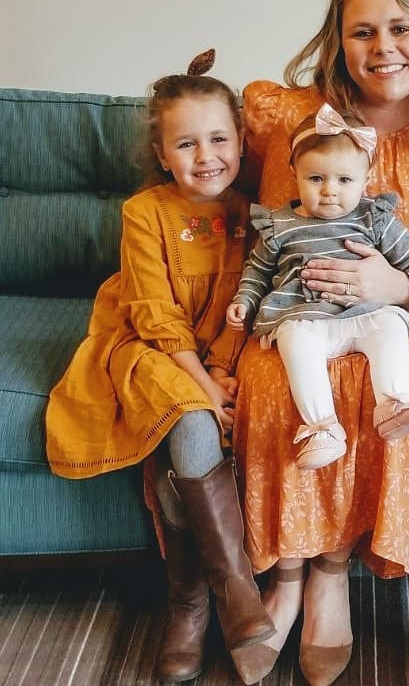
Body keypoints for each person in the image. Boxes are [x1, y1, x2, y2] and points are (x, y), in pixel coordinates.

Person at [226, 0, 409, 686]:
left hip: (399, 322)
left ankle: (329, 573)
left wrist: (406, 291)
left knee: (393, 382)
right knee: (266, 372)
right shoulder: (297, 121)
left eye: (400, 27)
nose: (383, 46)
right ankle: (283, 576)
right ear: (338, 42)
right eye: (362, 32)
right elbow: (223, 148)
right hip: (298, 312)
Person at [44, 50, 275, 684]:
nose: (207, 156)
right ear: (162, 155)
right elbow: (154, 318)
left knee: (198, 438)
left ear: (241, 141)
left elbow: (244, 304)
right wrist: (205, 384)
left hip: (220, 353)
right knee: (196, 422)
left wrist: (225, 366)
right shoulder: (143, 213)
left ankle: (194, 604)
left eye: (220, 138)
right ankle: (228, 592)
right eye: (187, 143)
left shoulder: (250, 214)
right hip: (148, 348)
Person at [226, 102, 409, 471]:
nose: (330, 191)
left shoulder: (373, 218)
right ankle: (321, 427)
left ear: (365, 178)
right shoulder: (280, 225)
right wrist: (244, 301)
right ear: (294, 172)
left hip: (366, 314)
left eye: (344, 180)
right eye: (316, 179)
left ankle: (395, 402)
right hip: (307, 318)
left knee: (392, 326)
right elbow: (257, 270)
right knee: (293, 341)